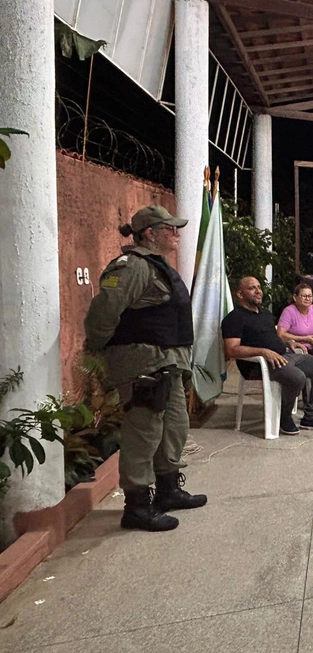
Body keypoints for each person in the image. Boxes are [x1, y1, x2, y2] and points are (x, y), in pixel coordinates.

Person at [84, 205, 206, 532]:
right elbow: (104, 312)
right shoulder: (131, 266)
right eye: (170, 228)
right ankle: (137, 506)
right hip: (144, 365)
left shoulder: (158, 266)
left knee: (174, 428)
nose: (176, 234)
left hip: (168, 365)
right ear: (149, 233)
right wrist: (98, 348)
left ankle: (168, 490)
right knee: (143, 432)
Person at [222, 276, 313, 434]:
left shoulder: (265, 314)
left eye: (259, 287)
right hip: (259, 365)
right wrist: (263, 352)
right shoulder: (234, 318)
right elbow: (231, 350)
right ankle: (284, 416)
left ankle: (310, 416)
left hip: (284, 355)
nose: (258, 291)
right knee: (298, 377)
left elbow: (273, 337)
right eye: (252, 288)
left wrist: (289, 343)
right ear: (240, 294)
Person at [277, 282, 313, 410]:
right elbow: (281, 334)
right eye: (304, 296)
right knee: (306, 366)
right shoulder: (289, 311)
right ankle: (307, 398)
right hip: (296, 348)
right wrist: (304, 339)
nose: (307, 299)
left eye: (310, 296)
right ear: (295, 297)